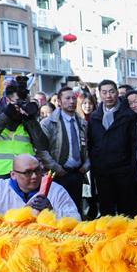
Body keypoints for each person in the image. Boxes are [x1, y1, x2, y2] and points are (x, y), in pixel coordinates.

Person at [0, 81, 49, 179]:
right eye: (19, 101)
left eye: (25, 102)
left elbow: (42, 145)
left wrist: (30, 120)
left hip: (24, 174)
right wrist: (6, 115)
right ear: (7, 100)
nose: (22, 105)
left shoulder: (27, 119)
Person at [87, 79, 137, 216]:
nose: (108, 96)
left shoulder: (128, 115)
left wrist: (131, 167)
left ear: (117, 93)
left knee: (126, 210)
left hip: (124, 171)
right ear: (99, 94)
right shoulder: (94, 117)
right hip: (102, 172)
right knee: (106, 210)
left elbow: (134, 144)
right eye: (104, 92)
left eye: (111, 92)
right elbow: (91, 143)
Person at [40, 85, 90, 214]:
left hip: (78, 173)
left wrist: (86, 165)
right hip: (58, 174)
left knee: (77, 209)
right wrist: (55, 167)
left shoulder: (83, 123)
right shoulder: (48, 123)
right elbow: (41, 149)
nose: (72, 101)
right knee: (58, 210)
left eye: (74, 98)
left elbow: (89, 147)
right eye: (67, 98)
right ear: (59, 102)